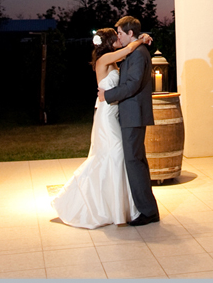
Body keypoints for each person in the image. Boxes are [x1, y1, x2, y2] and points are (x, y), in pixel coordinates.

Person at [50, 27, 152, 228]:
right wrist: (141, 39)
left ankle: (118, 206)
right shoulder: (103, 60)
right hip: (106, 115)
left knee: (117, 156)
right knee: (114, 154)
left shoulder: (113, 61)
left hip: (114, 114)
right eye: (116, 36)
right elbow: (129, 49)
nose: (118, 38)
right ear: (109, 42)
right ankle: (87, 201)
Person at [97, 15, 160, 226]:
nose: (119, 36)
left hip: (133, 114)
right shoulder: (132, 52)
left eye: (121, 33)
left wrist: (108, 96)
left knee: (134, 162)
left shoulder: (138, 54)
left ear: (129, 33)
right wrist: (142, 38)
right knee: (135, 161)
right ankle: (143, 207)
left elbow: (132, 86)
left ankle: (148, 211)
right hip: (127, 114)